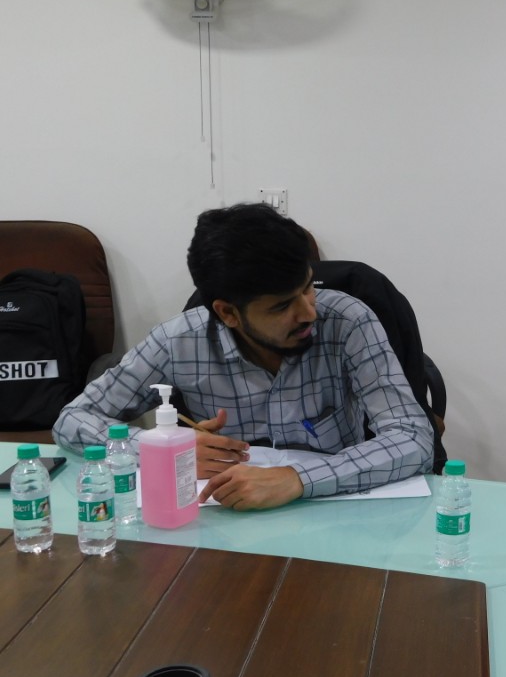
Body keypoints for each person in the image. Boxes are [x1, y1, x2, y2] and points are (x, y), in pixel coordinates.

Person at [53, 203, 434, 510]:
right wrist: (162, 450)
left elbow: (413, 438)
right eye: (282, 306)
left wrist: (297, 480)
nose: (309, 313)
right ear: (228, 313)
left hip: (332, 509)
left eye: (307, 289)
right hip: (225, 516)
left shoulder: (347, 322)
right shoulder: (177, 341)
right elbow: (73, 420)